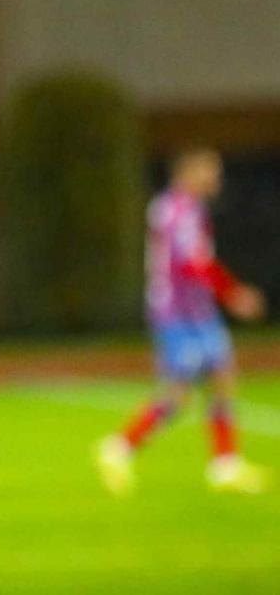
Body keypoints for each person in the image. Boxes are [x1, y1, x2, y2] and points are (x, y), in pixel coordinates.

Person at [96, 146, 269, 496]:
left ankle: (225, 464)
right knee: (178, 395)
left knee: (223, 376)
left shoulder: (185, 209)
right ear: (188, 172)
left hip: (198, 312)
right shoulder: (175, 211)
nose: (215, 178)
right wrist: (233, 293)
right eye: (209, 170)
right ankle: (118, 448)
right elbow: (191, 263)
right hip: (177, 313)